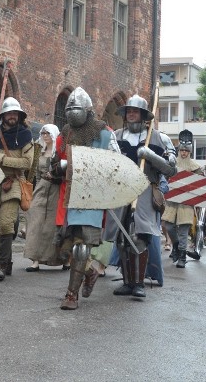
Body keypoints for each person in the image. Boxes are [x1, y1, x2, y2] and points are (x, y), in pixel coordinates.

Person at [49, 87, 120, 310]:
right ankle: (88, 272)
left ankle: (71, 295)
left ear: (88, 110)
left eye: (75, 108)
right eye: (69, 109)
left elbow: (116, 164)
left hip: (92, 195)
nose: (71, 112)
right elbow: (54, 161)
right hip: (68, 196)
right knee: (68, 247)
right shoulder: (65, 133)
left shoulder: (105, 133)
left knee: (82, 246)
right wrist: (57, 169)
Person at [111, 94, 176, 299]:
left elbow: (171, 169)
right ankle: (127, 282)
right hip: (121, 190)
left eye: (135, 111)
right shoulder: (117, 137)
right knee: (122, 237)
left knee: (139, 237)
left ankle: (139, 283)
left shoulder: (158, 138)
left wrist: (150, 155)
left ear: (143, 115)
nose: (131, 114)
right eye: (128, 111)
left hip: (145, 189)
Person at [0, 97, 34, 280]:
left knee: (6, 223)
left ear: (19, 116)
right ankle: (9, 263)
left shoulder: (26, 135)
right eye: (9, 113)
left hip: (14, 182)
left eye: (15, 113)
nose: (12, 116)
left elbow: (27, 163)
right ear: (3, 116)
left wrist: (2, 158)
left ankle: (2, 265)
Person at [23, 124, 63, 272]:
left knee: (51, 226)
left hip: (56, 189)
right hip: (41, 188)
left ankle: (61, 259)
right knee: (35, 220)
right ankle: (35, 260)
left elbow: (65, 172)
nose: (45, 136)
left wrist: (56, 176)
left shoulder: (59, 151)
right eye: (43, 133)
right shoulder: (40, 151)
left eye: (48, 133)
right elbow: (36, 174)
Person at [162, 130, 202, 268]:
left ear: (190, 151)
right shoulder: (171, 163)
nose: (184, 152)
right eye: (182, 150)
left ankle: (182, 257)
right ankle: (177, 246)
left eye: (186, 150)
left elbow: (200, 186)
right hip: (172, 200)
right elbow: (165, 178)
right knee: (169, 227)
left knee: (184, 230)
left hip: (186, 202)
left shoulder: (196, 167)